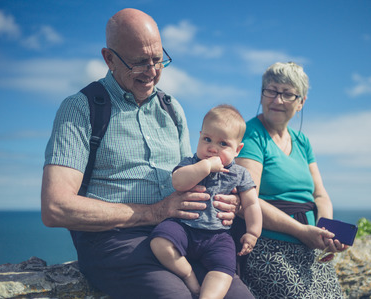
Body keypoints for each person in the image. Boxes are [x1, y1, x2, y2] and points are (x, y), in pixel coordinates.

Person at [41, 8, 254, 299]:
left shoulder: (172, 108)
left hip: (182, 233)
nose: (153, 71)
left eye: (158, 59)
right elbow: (55, 208)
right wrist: (155, 212)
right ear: (109, 59)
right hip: (114, 240)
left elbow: (193, 175)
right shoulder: (80, 108)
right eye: (140, 62)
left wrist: (230, 203)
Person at [235, 62, 347, 298]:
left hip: (309, 246)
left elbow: (320, 194)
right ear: (262, 93)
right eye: (272, 91)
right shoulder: (250, 134)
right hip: (268, 248)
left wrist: (324, 231)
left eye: (287, 94)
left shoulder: (302, 141)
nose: (277, 100)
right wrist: (300, 231)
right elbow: (246, 199)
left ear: (301, 102)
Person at [150, 105, 262, 299]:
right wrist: (206, 166)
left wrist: (252, 232)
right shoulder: (191, 163)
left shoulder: (240, 174)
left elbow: (252, 203)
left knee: (224, 270)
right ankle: (188, 274)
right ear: (199, 136)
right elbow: (178, 181)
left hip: (218, 236)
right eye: (207, 139)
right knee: (160, 241)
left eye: (223, 144)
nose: (212, 148)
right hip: (184, 227)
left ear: (237, 149)